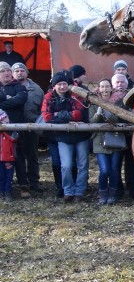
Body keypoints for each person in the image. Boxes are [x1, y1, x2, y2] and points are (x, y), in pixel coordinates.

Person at [41, 72, 90, 202]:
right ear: (54, 86)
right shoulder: (49, 97)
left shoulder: (76, 94)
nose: (62, 87)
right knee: (66, 165)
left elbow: (79, 114)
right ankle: (68, 191)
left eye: (64, 84)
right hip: (62, 136)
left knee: (82, 165)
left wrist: (57, 114)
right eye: (59, 84)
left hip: (81, 135)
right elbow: (47, 117)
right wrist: (66, 119)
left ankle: (79, 192)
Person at [90, 79, 125, 205]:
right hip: (99, 140)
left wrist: (110, 112)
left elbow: (121, 118)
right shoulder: (93, 102)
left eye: (107, 86)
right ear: (99, 88)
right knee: (104, 170)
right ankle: (102, 193)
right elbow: (91, 122)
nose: (105, 89)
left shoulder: (118, 102)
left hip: (116, 139)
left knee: (115, 169)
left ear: (111, 88)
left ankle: (112, 195)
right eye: (102, 87)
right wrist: (98, 114)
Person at [11, 62, 43, 195]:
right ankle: (20, 183)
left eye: (22, 70)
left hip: (31, 127)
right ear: (12, 74)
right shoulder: (9, 88)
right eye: (16, 71)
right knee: (15, 156)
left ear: (27, 72)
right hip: (12, 128)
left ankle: (34, 182)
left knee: (32, 156)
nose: (19, 73)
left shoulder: (37, 89)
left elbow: (42, 109)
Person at [0, 62, 28, 197]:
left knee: (18, 157)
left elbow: (20, 100)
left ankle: (24, 185)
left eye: (7, 70)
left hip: (16, 128)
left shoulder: (19, 87)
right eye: (2, 71)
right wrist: (7, 98)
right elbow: (13, 102)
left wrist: (3, 103)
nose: (6, 73)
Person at [0, 109, 17, 200]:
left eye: (6, 117)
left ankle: (8, 192)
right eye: (3, 118)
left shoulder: (12, 128)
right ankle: (1, 193)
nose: (5, 119)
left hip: (9, 157)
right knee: (1, 177)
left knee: (8, 177)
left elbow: (15, 138)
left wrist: (7, 129)